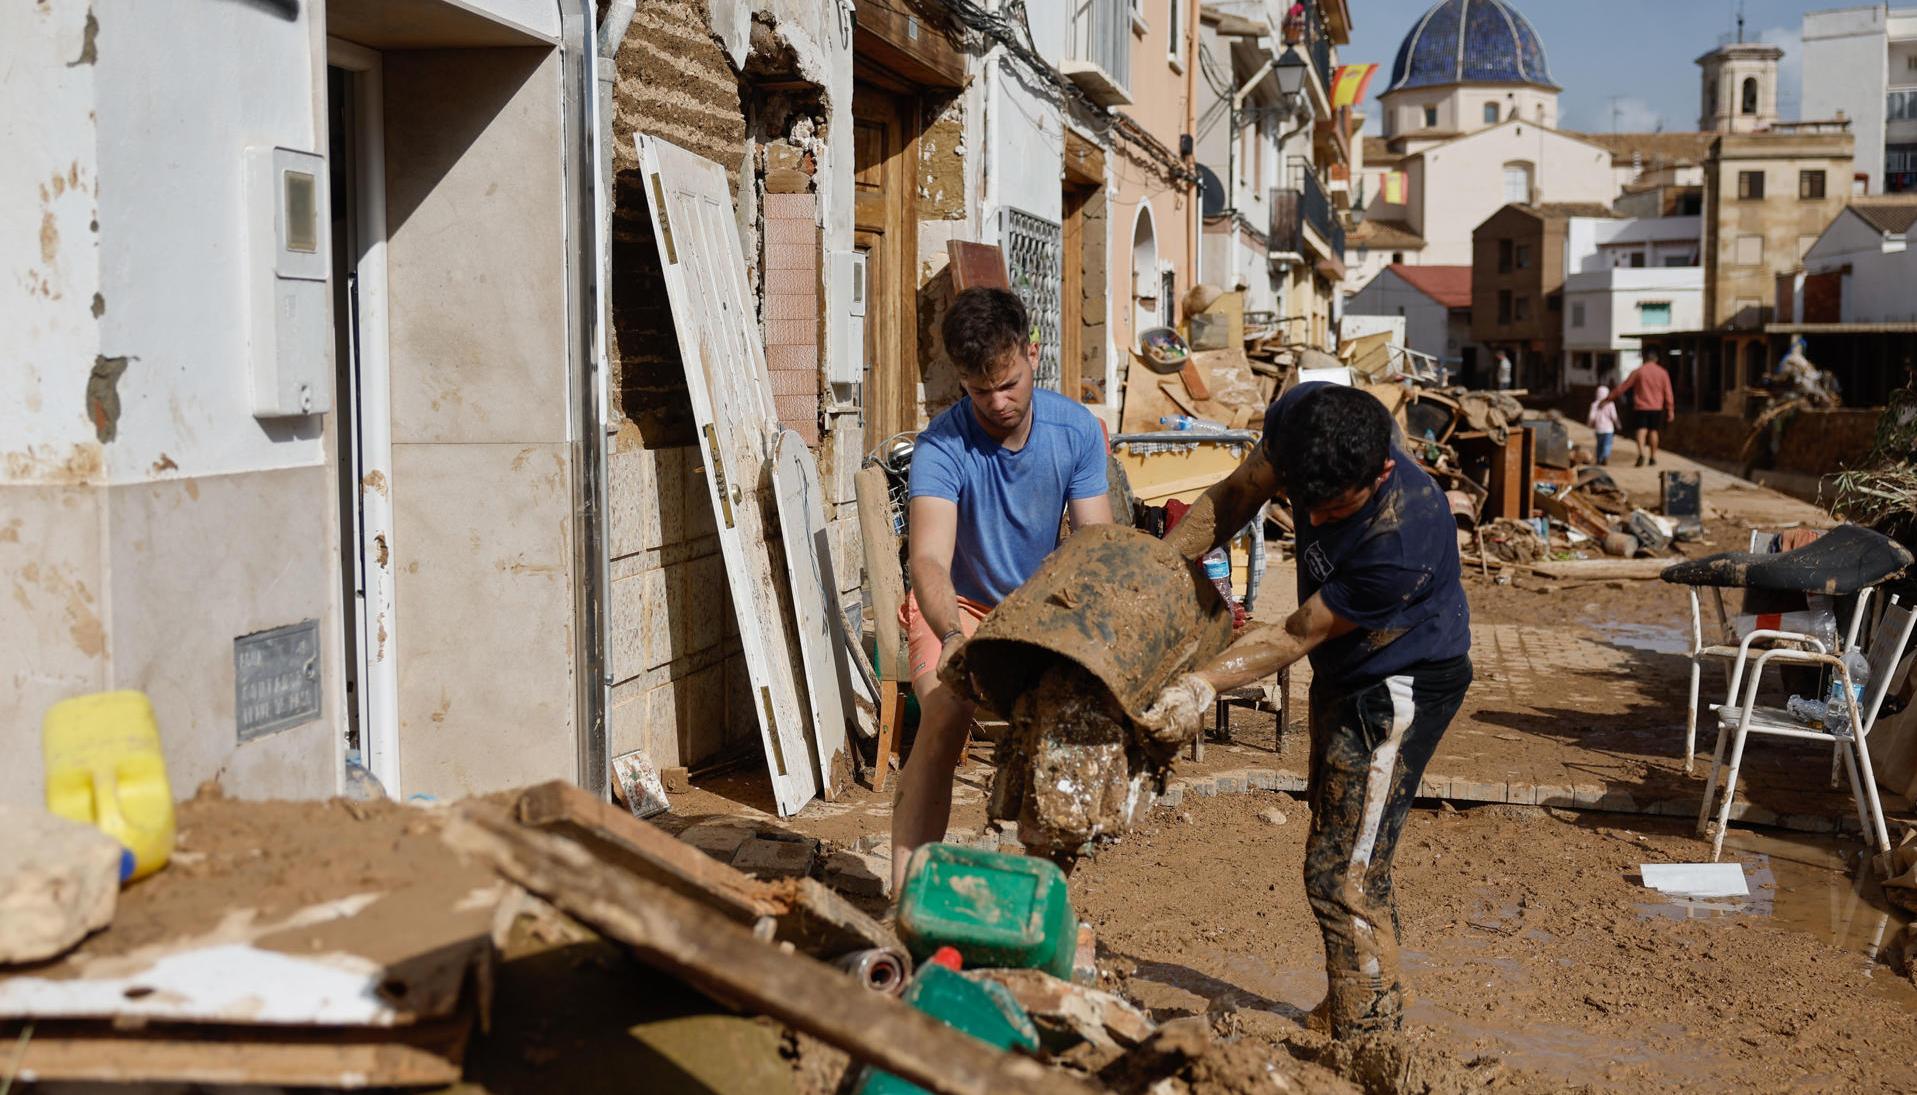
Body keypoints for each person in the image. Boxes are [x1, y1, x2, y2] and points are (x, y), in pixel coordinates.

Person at [1146, 382, 1472, 1040]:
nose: (1316, 524)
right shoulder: (1303, 418)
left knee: (1344, 869)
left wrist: (1200, 686)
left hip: (1400, 684)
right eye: (1304, 504)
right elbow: (1236, 494)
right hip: (1345, 670)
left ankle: (1368, 1042)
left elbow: (1295, 632)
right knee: (1338, 840)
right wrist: (1157, 573)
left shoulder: (1402, 536)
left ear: (1380, 470)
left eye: (1333, 510)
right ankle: (1354, 1001)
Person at [891, 287, 1114, 890]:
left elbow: (1097, 548)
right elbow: (930, 561)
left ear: (1032, 352)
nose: (996, 402)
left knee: (1066, 725)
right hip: (957, 605)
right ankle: (907, 898)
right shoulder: (942, 445)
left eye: (1008, 382)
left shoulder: (1077, 430)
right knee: (942, 712)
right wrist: (953, 636)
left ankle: (1040, 897)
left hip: (1041, 607)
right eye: (978, 389)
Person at [1602, 355, 1674, 466]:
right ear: (1656, 359)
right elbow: (1668, 392)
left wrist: (1609, 398)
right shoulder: (1662, 372)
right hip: (1656, 407)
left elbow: (1623, 386)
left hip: (1641, 407)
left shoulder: (1639, 371)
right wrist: (1670, 410)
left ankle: (1641, 454)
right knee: (1653, 431)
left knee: (1641, 430)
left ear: (1645, 359)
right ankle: (1653, 457)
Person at [1588, 372, 1621, 466]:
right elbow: (1614, 416)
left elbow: (1591, 417)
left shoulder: (1594, 404)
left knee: (1599, 444)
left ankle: (1599, 459)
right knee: (1607, 444)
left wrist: (1590, 424)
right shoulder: (1610, 404)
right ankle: (1605, 456)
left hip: (1598, 429)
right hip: (1608, 429)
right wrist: (1618, 424)